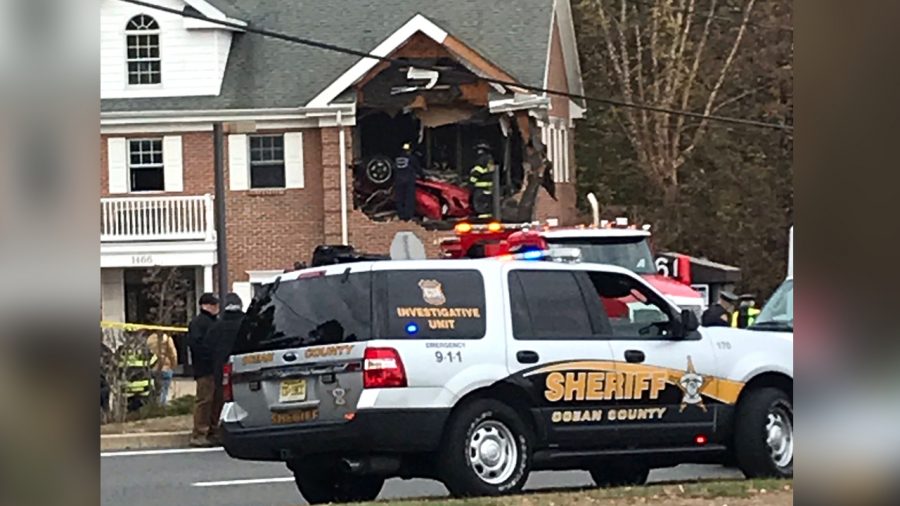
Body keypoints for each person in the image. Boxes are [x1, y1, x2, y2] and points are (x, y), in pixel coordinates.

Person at [207, 292, 246, 444]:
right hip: (245, 367)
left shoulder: (216, 326)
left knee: (220, 399)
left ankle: (219, 430)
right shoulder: (247, 323)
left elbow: (207, 346)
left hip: (221, 368)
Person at [187, 293, 219, 447]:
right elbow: (197, 346)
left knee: (217, 401)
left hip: (215, 368)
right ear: (205, 305)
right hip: (205, 369)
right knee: (205, 401)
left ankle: (214, 431)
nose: (216, 308)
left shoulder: (214, 322)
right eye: (214, 305)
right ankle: (199, 433)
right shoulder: (198, 323)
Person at [147, 332, 178, 406]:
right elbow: (173, 353)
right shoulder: (167, 339)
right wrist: (174, 364)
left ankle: (154, 405)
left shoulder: (150, 339)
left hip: (153, 368)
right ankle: (161, 406)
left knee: (156, 388)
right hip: (165, 367)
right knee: (164, 390)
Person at [393, 142, 422, 221]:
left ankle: (401, 215)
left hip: (399, 181)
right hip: (409, 181)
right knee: (409, 199)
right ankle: (408, 215)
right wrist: (423, 177)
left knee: (400, 198)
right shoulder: (412, 158)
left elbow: (393, 169)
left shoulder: (396, 159)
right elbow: (418, 169)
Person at [468, 142, 496, 216]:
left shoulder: (482, 160)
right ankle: (487, 219)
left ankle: (481, 221)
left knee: (480, 207)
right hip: (488, 187)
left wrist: (471, 183)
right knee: (486, 207)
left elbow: (477, 172)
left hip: (480, 188)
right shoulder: (490, 160)